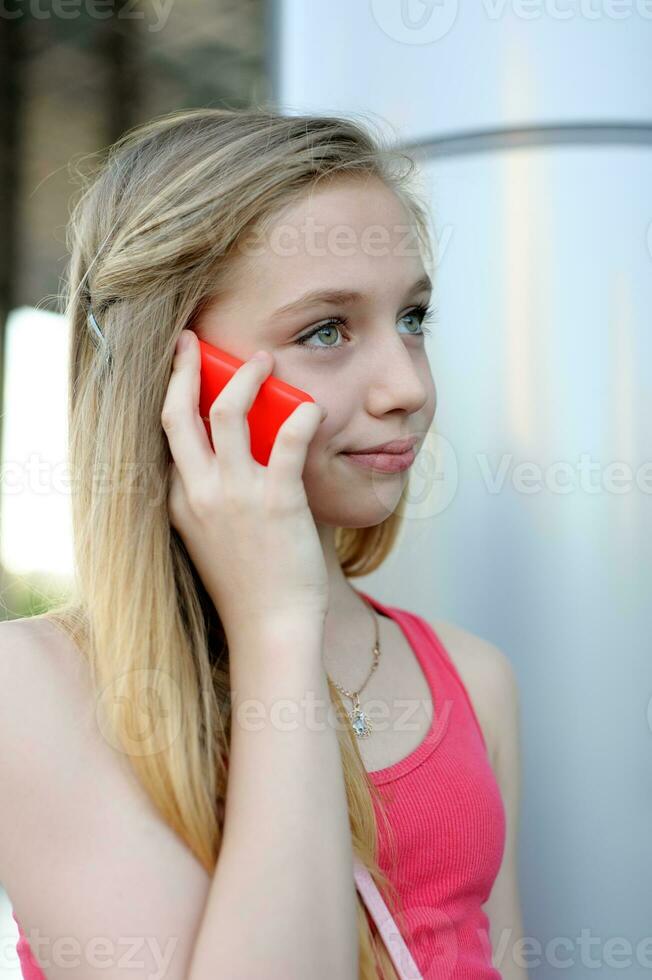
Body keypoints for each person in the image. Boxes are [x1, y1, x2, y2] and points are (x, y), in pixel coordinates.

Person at [0, 107, 526, 979]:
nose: (407, 386)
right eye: (326, 330)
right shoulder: (36, 689)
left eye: (414, 318)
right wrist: (278, 626)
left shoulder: (473, 680)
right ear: (172, 375)